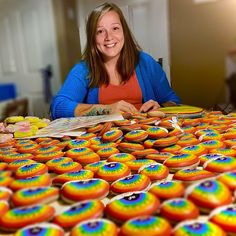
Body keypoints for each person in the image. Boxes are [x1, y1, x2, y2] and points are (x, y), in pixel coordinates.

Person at [51, 2, 180, 119]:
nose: (109, 37)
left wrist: (161, 107)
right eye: (100, 31)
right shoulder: (84, 70)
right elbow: (58, 107)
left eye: (115, 28)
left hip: (147, 137)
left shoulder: (145, 62)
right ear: (92, 38)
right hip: (103, 141)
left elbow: (173, 101)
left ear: (124, 31)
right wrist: (106, 109)